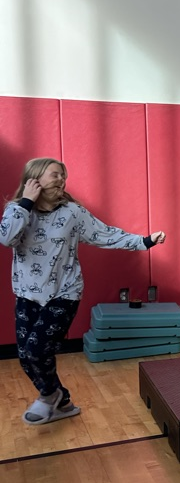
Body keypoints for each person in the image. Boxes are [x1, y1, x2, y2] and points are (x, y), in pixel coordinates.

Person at [0, 157, 166, 426]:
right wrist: (27, 203)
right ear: (34, 178)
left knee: (36, 348)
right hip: (26, 293)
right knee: (25, 356)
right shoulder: (16, 210)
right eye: (55, 175)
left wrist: (144, 241)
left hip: (64, 292)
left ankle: (49, 397)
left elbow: (105, 234)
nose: (61, 180)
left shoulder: (72, 213)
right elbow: (7, 238)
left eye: (63, 176)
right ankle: (61, 401)